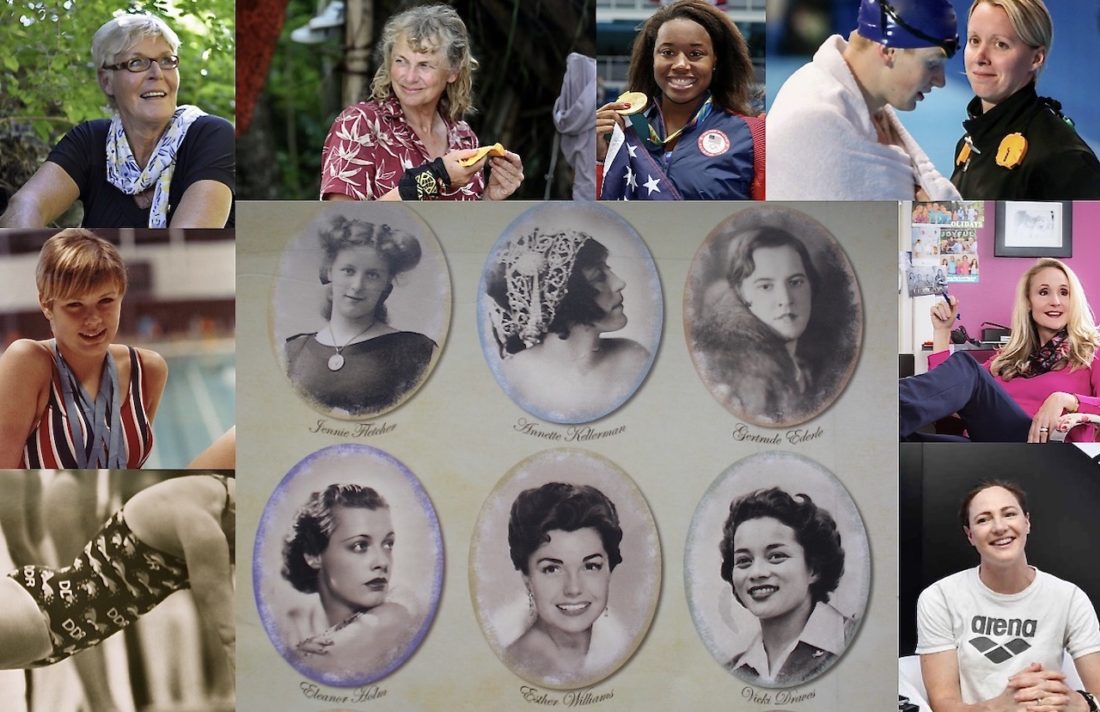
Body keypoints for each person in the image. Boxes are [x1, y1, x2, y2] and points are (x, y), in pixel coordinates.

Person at [0, 14, 234, 228]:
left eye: (166, 60)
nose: (157, 73)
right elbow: (27, 205)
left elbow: (193, 246)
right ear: (107, 81)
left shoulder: (211, 136)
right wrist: (26, 254)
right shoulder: (91, 140)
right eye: (137, 62)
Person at [0, 474, 235, 679]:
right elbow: (232, 638)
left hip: (49, 614)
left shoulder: (199, 496)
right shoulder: (202, 526)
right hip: (48, 612)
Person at [917, 481, 1100, 711]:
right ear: (970, 535)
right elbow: (943, 704)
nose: (999, 527)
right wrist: (999, 707)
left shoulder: (1070, 598)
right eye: (983, 519)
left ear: (1027, 522)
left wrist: (1083, 703)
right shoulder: (939, 597)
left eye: (1009, 514)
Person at [319, 5, 523, 201]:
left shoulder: (463, 136)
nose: (409, 77)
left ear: (453, 71)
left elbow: (466, 231)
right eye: (401, 61)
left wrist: (490, 198)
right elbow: (340, 223)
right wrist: (435, 177)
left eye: (424, 65)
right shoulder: (360, 124)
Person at [0, 230, 168, 468]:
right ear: (47, 305)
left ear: (121, 297)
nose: (93, 320)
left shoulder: (147, 370)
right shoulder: (27, 362)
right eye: (75, 305)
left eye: (105, 301)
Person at [767, 0, 961, 200]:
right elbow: (932, 224)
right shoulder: (814, 119)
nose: (941, 81)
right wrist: (936, 216)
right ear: (888, 50)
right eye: (932, 64)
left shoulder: (867, 105)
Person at [900, 258, 1100, 442]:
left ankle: (885, 407)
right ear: (1029, 303)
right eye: (1043, 292)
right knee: (902, 443)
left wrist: (1068, 400)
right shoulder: (1007, 358)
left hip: (1044, 450)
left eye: (1064, 292)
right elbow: (947, 394)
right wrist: (942, 332)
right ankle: (882, 417)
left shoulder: (1091, 351)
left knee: (966, 366)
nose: (1055, 301)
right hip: (989, 448)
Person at [690, 226, 861, 426]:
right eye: (765, 286)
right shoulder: (733, 385)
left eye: (795, 282)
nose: (785, 299)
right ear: (741, 294)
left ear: (811, 286)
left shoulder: (817, 371)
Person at [595, 0, 764, 200]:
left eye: (696, 54)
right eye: (667, 52)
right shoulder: (622, 130)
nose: (681, 64)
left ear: (715, 60)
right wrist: (599, 160)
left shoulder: (754, 134)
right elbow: (600, 217)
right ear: (652, 58)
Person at [486, 228, 651, 423]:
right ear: (563, 298)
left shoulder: (634, 359)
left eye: (608, 270)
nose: (619, 283)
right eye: (599, 276)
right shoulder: (512, 377)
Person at [285, 216, 437, 417]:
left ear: (386, 285)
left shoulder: (417, 351)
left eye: (372, 275)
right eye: (348, 270)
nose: (357, 286)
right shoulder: (293, 350)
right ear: (330, 272)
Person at [951, 0, 1100, 199]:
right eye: (974, 40)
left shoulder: (1063, 156)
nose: (980, 56)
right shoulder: (968, 145)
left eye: (1000, 44)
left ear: (1036, 58)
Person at [280, 483, 416, 680]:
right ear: (313, 554)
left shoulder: (398, 610)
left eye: (388, 544)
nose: (382, 562)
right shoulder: (289, 625)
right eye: (360, 546)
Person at [721, 487, 855, 687]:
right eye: (744, 560)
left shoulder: (852, 639)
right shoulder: (733, 670)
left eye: (776, 556)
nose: (757, 573)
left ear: (814, 569)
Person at [504, 482, 627, 684]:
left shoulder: (619, 650)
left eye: (591, 566)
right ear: (527, 579)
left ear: (609, 570)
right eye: (552, 569)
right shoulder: (517, 668)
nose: (573, 588)